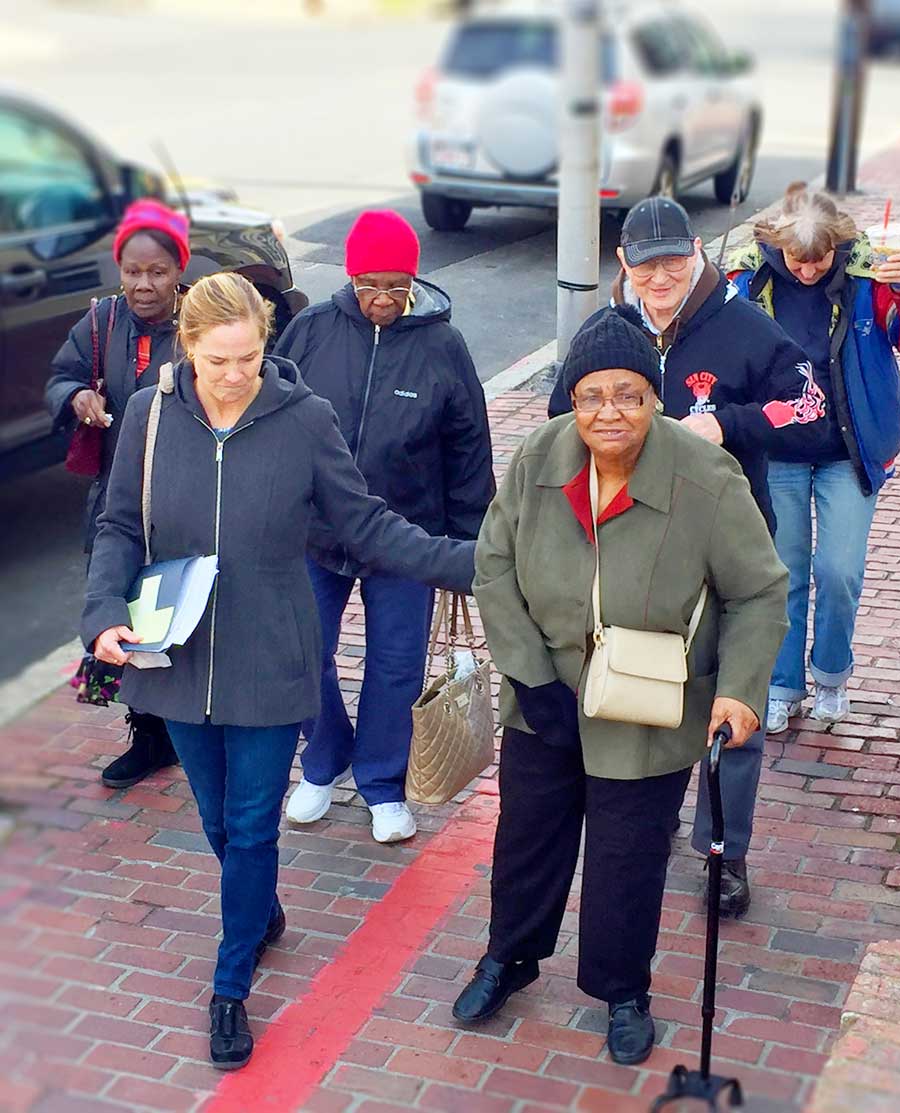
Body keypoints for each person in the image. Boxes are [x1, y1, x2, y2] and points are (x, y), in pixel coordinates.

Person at [82, 272, 474, 1071]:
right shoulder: (153, 418)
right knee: (221, 821)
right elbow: (120, 523)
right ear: (188, 346)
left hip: (271, 657)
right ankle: (257, 913)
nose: (236, 375)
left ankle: (229, 986)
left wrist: (472, 562)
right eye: (219, 359)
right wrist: (100, 614)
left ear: (267, 341)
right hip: (176, 656)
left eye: (250, 357)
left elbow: (366, 524)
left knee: (254, 825)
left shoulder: (304, 420)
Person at [453, 307, 789, 1066]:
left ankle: (623, 988)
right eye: (592, 395)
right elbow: (494, 565)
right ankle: (509, 956)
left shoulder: (705, 475)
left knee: (626, 855)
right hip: (546, 696)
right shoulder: (541, 456)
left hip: (648, 704)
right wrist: (532, 678)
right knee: (528, 841)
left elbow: (761, 590)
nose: (610, 411)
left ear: (655, 398)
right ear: (571, 400)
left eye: (630, 394)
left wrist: (739, 690)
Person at [549, 196, 826, 917]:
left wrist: (725, 425)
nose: (661, 277)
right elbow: (558, 423)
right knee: (644, 690)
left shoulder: (743, 326)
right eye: (646, 266)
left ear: (697, 250)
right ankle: (649, 818)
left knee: (735, 700)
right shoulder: (604, 332)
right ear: (624, 264)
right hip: (633, 556)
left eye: (674, 261)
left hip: (730, 549)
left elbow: (812, 406)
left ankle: (723, 851)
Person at [274, 210, 494, 843]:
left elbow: (469, 447)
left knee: (396, 663)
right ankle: (323, 758)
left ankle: (381, 781)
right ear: (350, 277)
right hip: (315, 531)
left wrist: (468, 546)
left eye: (398, 286)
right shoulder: (311, 331)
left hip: (408, 536)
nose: (384, 300)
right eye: (372, 284)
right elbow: (273, 423)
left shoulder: (442, 345)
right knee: (302, 652)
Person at [727, 183, 900, 733]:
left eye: (821, 259)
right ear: (777, 245)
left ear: (838, 244)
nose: (809, 271)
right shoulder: (746, 281)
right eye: (798, 260)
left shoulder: (871, 277)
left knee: (839, 571)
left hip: (849, 451)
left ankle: (832, 676)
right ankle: (781, 685)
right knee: (781, 572)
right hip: (777, 452)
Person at [46, 198, 190, 788]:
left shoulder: (196, 324)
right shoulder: (102, 321)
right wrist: (76, 397)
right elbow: (62, 375)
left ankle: (184, 727)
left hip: (183, 501)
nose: (143, 285)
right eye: (132, 272)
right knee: (117, 617)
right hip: (116, 503)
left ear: (179, 270)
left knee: (173, 615)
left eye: (157, 272)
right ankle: (148, 733)